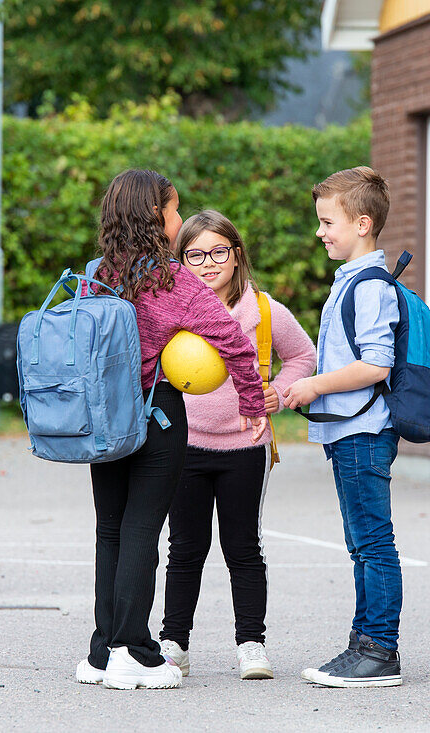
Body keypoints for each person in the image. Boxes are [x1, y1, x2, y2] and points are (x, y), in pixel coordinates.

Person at [75, 170, 268, 691]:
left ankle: (100, 651)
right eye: (174, 210)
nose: (180, 220)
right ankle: (134, 651)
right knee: (142, 529)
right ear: (153, 217)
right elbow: (232, 340)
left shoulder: (96, 275)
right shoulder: (173, 281)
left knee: (109, 530)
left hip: (102, 417)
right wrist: (253, 399)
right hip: (156, 415)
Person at [157, 210, 316, 681]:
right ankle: (174, 644)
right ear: (180, 260)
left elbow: (303, 355)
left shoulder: (263, 311)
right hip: (185, 447)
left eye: (218, 251)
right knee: (185, 548)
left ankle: (251, 644)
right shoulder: (170, 309)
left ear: (236, 254)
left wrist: (279, 393)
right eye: (194, 254)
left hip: (245, 448)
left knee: (243, 547)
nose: (208, 263)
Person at [282, 166, 404, 688]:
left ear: (362, 223)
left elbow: (377, 365)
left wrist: (313, 386)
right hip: (350, 432)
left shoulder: (371, 287)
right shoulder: (352, 281)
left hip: (363, 433)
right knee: (361, 542)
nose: (320, 232)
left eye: (327, 222)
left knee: (372, 542)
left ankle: (378, 651)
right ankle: (363, 644)